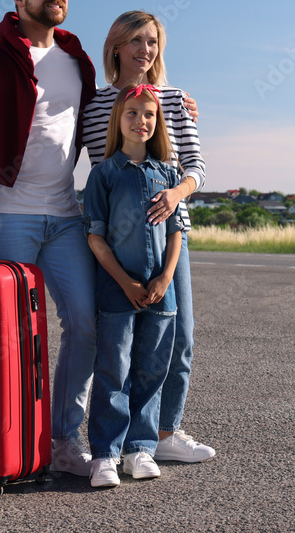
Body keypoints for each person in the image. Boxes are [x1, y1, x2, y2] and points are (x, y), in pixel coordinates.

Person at [0, 0, 100, 477]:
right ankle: (8, 444)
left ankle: (62, 440)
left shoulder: (75, 59)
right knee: (9, 338)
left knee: (85, 324)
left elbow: (119, 105)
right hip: (8, 215)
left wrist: (174, 102)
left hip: (65, 215)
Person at [81, 11, 215, 462]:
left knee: (179, 336)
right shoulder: (96, 105)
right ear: (116, 46)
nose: (145, 49)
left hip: (169, 239)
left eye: (153, 41)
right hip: (113, 244)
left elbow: (196, 167)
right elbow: (97, 168)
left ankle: (163, 434)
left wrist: (176, 194)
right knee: (116, 348)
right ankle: (115, 444)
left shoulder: (175, 100)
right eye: (136, 40)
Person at [83, 84, 184, 487]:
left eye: (148, 115)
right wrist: (125, 282)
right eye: (131, 114)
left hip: (162, 292)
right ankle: (105, 454)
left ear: (156, 122)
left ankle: (139, 449)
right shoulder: (103, 175)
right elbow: (95, 237)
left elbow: (178, 232)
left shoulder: (169, 173)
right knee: (114, 370)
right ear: (117, 120)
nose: (140, 121)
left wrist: (164, 277)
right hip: (116, 291)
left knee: (151, 370)